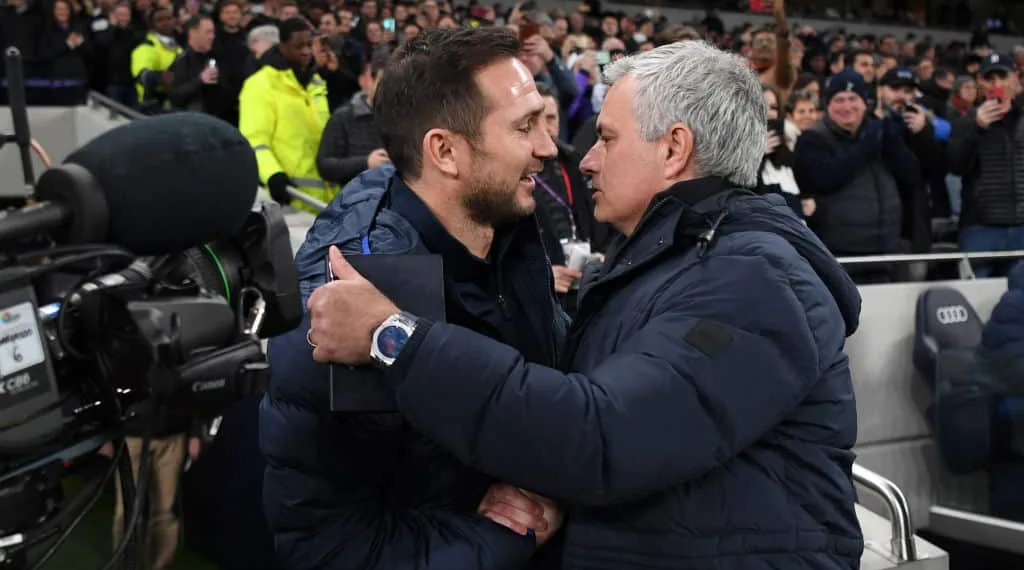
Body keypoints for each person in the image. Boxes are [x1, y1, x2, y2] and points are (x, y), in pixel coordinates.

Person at [307, 40, 865, 569]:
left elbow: (602, 437)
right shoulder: (672, 260)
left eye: (608, 137)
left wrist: (393, 337)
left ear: (674, 149)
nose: (582, 159)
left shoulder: (753, 277)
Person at [260, 27, 565, 570]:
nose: (547, 147)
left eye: (543, 121)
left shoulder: (507, 223)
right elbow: (328, 547)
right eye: (524, 127)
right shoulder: (353, 294)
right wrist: (505, 537)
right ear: (444, 150)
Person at [239, 18, 331, 213]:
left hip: (325, 199)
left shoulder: (317, 83)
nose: (306, 51)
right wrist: (273, 175)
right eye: (298, 46)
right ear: (282, 47)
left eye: (308, 45)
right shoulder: (260, 85)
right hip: (288, 197)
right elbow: (255, 140)